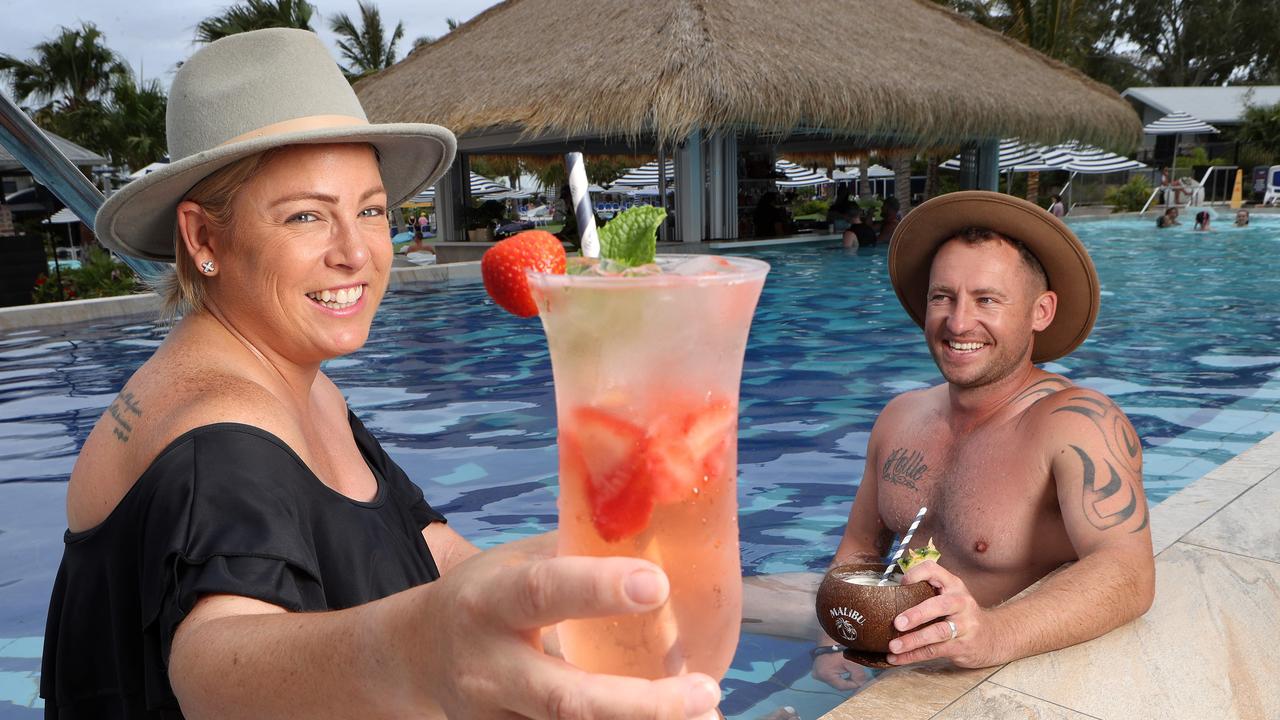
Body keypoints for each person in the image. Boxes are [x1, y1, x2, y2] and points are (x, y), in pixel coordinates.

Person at [41, 29, 722, 720]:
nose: (355, 252)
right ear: (204, 238)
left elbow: (432, 551)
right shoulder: (220, 431)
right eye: (306, 216)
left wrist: (575, 607)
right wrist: (421, 655)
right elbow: (215, 665)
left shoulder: (291, 379)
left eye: (370, 211)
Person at [812, 191, 1154, 685]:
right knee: (700, 601)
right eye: (942, 297)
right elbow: (860, 548)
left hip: (998, 663)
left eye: (987, 300)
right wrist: (833, 644)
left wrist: (989, 634)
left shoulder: (1077, 422)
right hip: (894, 637)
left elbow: (1128, 572)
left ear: (1041, 311)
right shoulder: (900, 415)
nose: (958, 323)